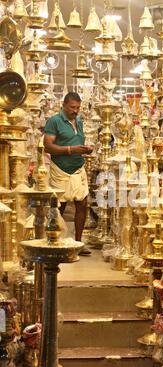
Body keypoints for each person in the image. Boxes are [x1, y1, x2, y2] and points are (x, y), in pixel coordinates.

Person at [44, 92, 93, 255]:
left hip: (78, 168)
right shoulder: (54, 121)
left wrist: (85, 149)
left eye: (78, 107)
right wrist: (71, 150)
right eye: (72, 107)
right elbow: (48, 146)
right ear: (64, 105)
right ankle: (55, 242)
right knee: (59, 207)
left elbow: (76, 141)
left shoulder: (79, 121)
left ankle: (78, 243)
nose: (75, 110)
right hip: (61, 169)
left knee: (82, 205)